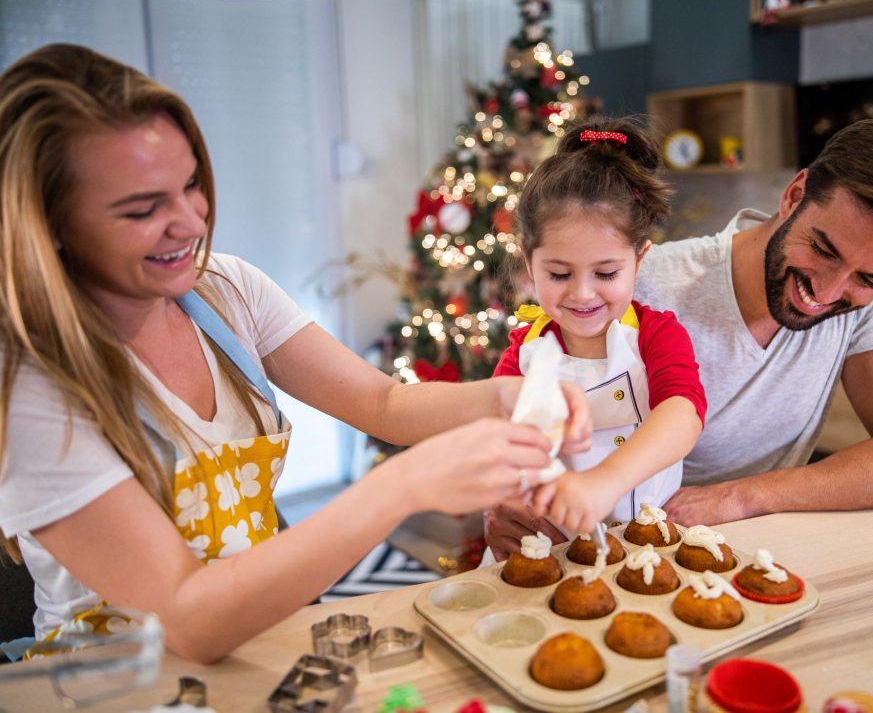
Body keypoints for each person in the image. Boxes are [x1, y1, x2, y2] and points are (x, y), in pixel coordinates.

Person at [0, 43, 591, 663]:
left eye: (192, 185)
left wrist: (503, 396)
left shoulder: (226, 292)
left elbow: (382, 402)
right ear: (51, 226)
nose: (191, 222)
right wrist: (403, 486)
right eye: (144, 209)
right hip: (115, 684)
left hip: (259, 644)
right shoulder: (31, 390)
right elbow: (190, 619)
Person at [485, 115, 873, 558]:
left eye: (869, 279)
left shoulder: (872, 297)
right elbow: (516, 416)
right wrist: (507, 501)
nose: (826, 292)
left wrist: (744, 496)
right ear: (795, 195)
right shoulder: (636, 286)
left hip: (758, 552)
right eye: (823, 249)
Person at [492, 119, 706, 536]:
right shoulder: (525, 350)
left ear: (639, 260)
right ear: (529, 262)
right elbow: (498, 440)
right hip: (546, 543)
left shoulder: (656, 335)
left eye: (606, 273)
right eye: (558, 274)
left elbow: (683, 414)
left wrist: (605, 481)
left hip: (643, 542)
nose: (583, 294)